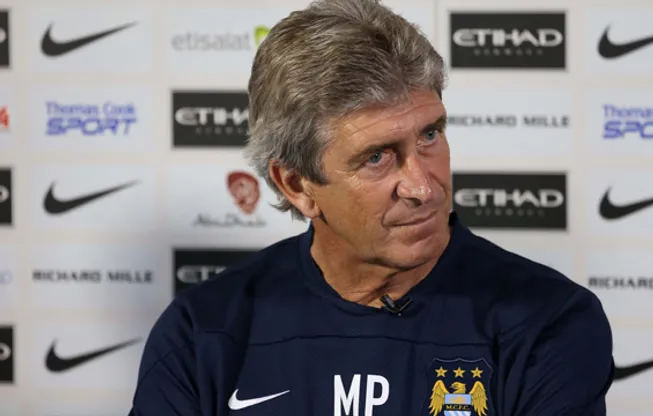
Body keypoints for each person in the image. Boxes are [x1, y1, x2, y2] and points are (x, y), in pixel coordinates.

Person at [128, 0, 615, 414]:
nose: (423, 188)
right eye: (377, 157)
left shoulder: (549, 321)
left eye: (430, 135)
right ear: (296, 185)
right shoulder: (203, 332)